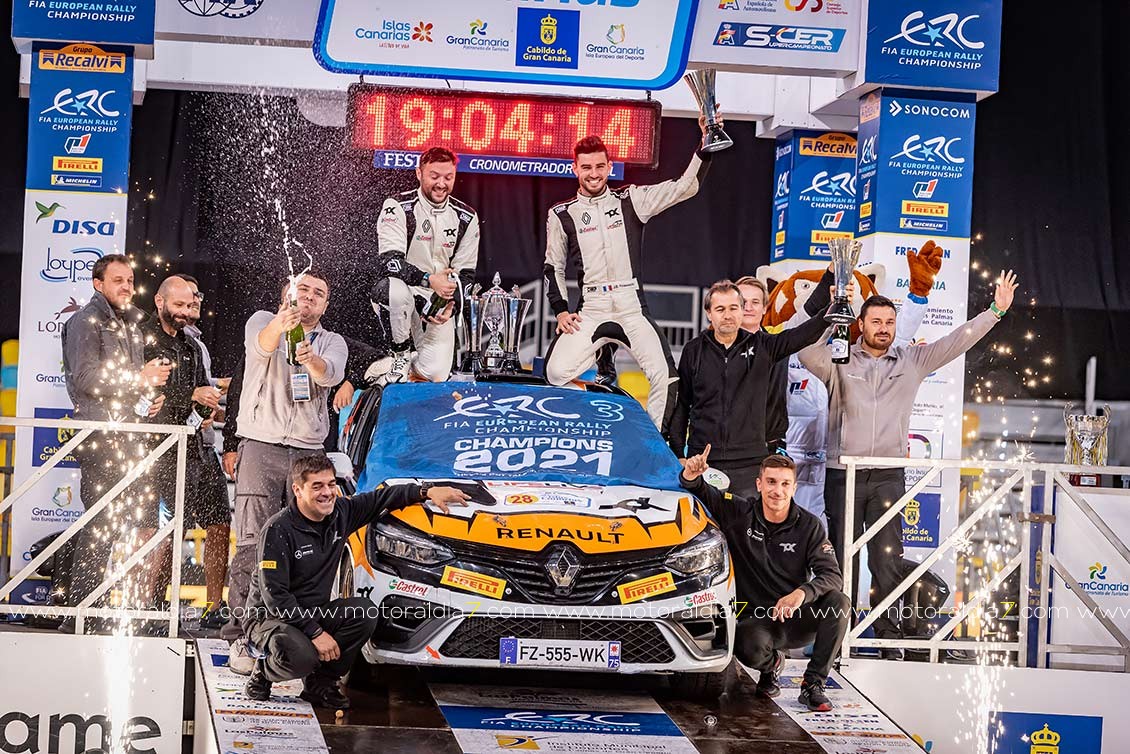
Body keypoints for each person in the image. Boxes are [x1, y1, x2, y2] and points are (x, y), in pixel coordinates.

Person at [799, 270, 1018, 658]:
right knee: (842, 560)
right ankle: (836, 638)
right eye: (876, 321)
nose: (883, 328)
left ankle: (886, 636)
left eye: (889, 322)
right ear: (861, 324)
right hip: (842, 475)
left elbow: (956, 341)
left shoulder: (912, 360)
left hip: (888, 476)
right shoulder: (839, 358)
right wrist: (834, 312)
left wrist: (995, 312)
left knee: (886, 559)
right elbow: (803, 350)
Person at [243, 455, 471, 708]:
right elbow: (275, 597)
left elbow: (382, 498)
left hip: (312, 612)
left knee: (364, 612)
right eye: (317, 486)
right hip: (270, 618)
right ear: (297, 490)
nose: (327, 492)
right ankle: (263, 670)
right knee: (301, 656)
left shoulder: (341, 512)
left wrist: (426, 491)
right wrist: (316, 633)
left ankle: (321, 684)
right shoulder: (277, 530)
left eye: (331, 484)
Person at [542, 115, 719, 433]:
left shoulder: (631, 199)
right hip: (591, 307)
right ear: (575, 169)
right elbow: (552, 265)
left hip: (630, 305)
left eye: (600, 166)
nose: (594, 174)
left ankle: (651, 444)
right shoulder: (561, 213)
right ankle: (601, 394)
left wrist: (704, 145)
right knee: (554, 373)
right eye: (586, 167)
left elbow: (686, 187)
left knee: (666, 376)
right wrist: (561, 310)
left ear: (609, 167)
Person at [761, 243, 940, 527]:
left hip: (839, 465)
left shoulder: (859, 353)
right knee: (789, 532)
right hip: (794, 464)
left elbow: (899, 337)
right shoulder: (793, 347)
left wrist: (917, 296)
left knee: (835, 538)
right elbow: (799, 324)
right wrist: (829, 304)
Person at [223, 271, 348, 673]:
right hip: (261, 444)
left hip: (309, 450)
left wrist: (310, 358)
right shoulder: (263, 321)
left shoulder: (333, 341)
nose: (310, 296)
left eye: (319, 293)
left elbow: (330, 374)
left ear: (325, 305)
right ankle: (242, 636)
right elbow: (261, 347)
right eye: (302, 290)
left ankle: (294, 633)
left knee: (303, 545)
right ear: (287, 295)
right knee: (251, 542)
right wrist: (282, 323)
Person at [680, 449, 848, 712]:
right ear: (759, 484)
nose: (777, 491)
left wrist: (802, 593)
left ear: (794, 488)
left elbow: (832, 576)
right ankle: (772, 666)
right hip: (754, 620)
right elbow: (701, 490)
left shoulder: (810, 525)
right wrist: (691, 474)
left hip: (795, 616)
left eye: (785, 484)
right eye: (771, 482)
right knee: (747, 645)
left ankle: (813, 684)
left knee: (839, 603)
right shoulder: (739, 511)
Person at [60, 254, 173, 629]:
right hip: (101, 436)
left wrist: (148, 399)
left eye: (130, 281)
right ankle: (80, 615)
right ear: (98, 284)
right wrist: (138, 379)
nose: (127, 287)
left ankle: (95, 610)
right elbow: (85, 378)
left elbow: (130, 384)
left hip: (129, 433)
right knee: (101, 523)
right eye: (118, 280)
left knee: (121, 524)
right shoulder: (85, 320)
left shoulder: (131, 323)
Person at [667, 280, 831, 498]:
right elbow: (682, 405)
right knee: (701, 521)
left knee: (747, 521)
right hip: (703, 461)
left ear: (741, 310)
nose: (728, 315)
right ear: (709, 313)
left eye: (733, 308)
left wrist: (833, 308)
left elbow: (802, 334)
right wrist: (678, 453)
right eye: (720, 309)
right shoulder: (693, 351)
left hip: (750, 464)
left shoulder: (763, 346)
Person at [369, 146, 480, 384]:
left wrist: (452, 305)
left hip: (437, 301)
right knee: (395, 292)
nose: (441, 184)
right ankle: (400, 354)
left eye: (448, 177)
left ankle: (389, 366)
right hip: (404, 292)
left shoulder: (467, 217)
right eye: (434, 176)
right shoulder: (397, 206)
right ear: (419, 173)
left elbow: (466, 274)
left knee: (436, 374)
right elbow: (389, 263)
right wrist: (428, 279)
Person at [172, 274, 234, 629]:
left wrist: (220, 404)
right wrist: (210, 396)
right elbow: (184, 391)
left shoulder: (197, 343)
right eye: (185, 298)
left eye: (197, 296)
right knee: (171, 528)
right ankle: (157, 606)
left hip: (205, 446)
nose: (194, 301)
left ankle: (214, 605)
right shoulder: (168, 340)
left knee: (220, 523)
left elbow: (205, 391)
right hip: (176, 448)